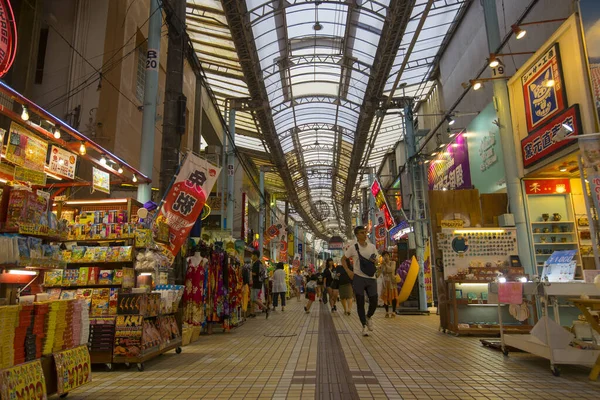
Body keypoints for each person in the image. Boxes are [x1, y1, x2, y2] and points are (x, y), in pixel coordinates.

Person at [341, 226, 380, 336]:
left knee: (374, 301)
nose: (365, 234)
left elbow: (376, 260)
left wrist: (375, 261)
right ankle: (363, 325)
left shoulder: (372, 247)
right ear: (357, 235)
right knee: (360, 302)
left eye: (365, 232)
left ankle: (368, 317)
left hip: (371, 278)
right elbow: (343, 259)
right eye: (362, 233)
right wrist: (348, 271)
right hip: (358, 277)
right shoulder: (353, 248)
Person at [380, 251, 399, 318]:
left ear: (389, 256)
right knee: (385, 297)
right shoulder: (382, 264)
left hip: (392, 282)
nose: (386, 257)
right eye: (384, 256)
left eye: (387, 255)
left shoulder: (393, 262)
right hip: (385, 283)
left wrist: (386, 265)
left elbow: (391, 269)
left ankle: (393, 311)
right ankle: (387, 312)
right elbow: (382, 272)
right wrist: (384, 265)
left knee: (393, 296)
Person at [250, 250, 266, 317]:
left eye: (252, 255)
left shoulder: (257, 263)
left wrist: (250, 272)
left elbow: (255, 273)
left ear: (256, 256)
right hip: (258, 282)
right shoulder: (258, 263)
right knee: (252, 298)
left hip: (256, 283)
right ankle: (252, 313)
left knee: (254, 298)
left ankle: (265, 308)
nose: (251, 256)